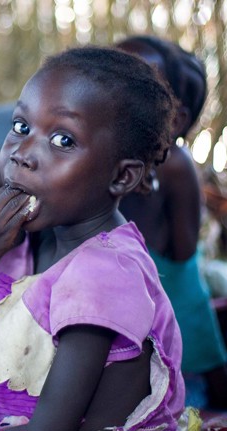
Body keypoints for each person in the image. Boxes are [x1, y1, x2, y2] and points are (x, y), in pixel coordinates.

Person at [0, 46, 188, 431]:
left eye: (63, 140)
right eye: (21, 127)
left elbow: (53, 426)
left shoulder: (104, 273)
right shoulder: (30, 240)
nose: (22, 154)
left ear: (121, 177)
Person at [115, 35, 227, 409]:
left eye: (135, 84)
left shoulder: (174, 164)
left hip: (170, 347)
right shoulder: (89, 155)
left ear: (175, 120)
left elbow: (182, 258)